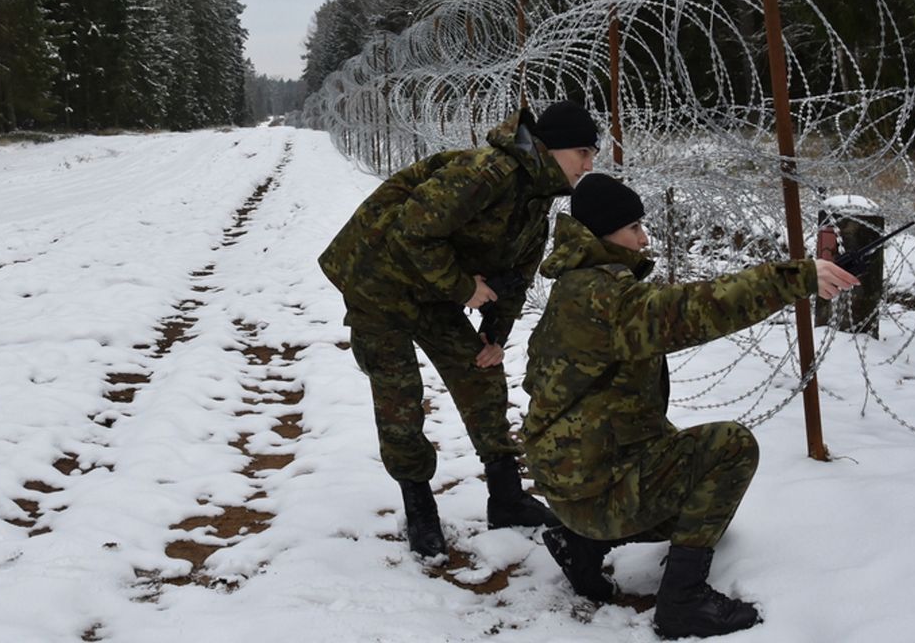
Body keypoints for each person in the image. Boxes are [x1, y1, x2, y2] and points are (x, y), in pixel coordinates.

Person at [522, 174, 858, 638]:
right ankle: (682, 601)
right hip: (592, 493)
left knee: (678, 462)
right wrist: (797, 278)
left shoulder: (577, 286)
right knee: (728, 449)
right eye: (633, 227)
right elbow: (696, 309)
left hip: (572, 483)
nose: (643, 238)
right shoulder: (608, 297)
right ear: (603, 233)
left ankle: (578, 543)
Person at [318, 101, 600, 560]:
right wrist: (463, 287)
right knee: (399, 395)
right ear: (551, 149)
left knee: (479, 374)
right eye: (583, 152)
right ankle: (419, 505)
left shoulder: (535, 197)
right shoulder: (487, 173)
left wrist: (496, 333)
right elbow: (411, 231)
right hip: (377, 281)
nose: (589, 165)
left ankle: (506, 497)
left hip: (431, 288)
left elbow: (518, 271)